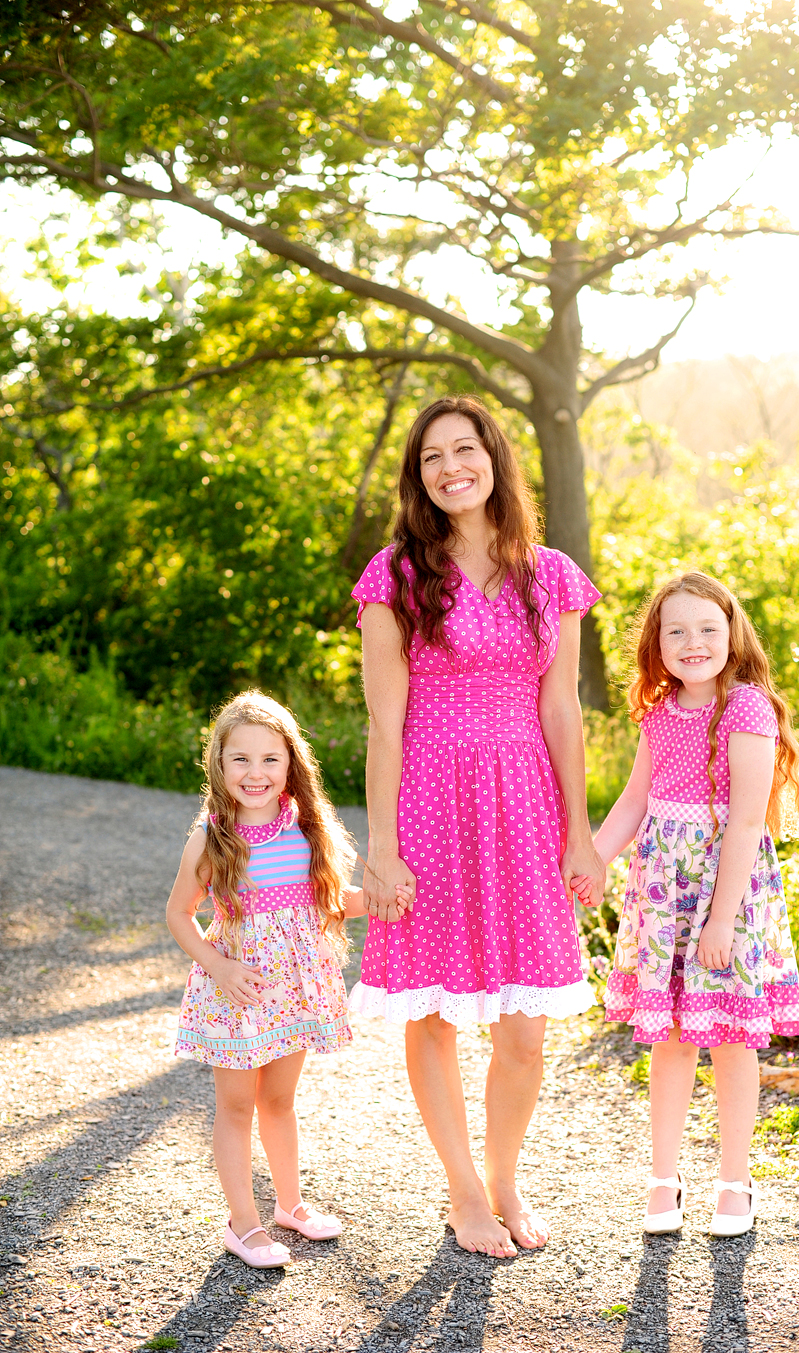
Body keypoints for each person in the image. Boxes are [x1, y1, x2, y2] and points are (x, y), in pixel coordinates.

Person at [351, 395, 605, 1258]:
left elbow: (562, 708)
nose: (452, 466)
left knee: (524, 1029)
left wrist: (580, 830)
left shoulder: (554, 574)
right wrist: (379, 848)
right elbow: (385, 722)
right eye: (433, 457)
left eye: (466, 449)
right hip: (428, 794)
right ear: (418, 476)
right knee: (435, 1012)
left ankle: (504, 1176)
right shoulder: (394, 575)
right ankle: (463, 1189)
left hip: (526, 802)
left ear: (495, 456)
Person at [582, 572, 799, 1237]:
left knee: (732, 1039)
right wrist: (593, 859)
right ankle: (663, 1176)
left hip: (725, 893)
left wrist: (719, 917)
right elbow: (635, 801)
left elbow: (744, 823)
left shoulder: (746, 708)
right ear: (657, 640)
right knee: (673, 1040)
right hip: (662, 895)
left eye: (708, 628)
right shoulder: (658, 710)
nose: (693, 642)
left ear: (732, 633)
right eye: (676, 630)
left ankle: (734, 1180)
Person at [167, 690, 409, 1267]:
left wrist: (376, 902)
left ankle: (290, 1206)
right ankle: (243, 1224)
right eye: (240, 760)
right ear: (218, 764)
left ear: (291, 763)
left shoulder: (306, 827)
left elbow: (324, 904)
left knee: (279, 1100)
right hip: (238, 990)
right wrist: (219, 966)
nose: (256, 773)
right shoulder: (212, 836)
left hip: (295, 991)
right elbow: (179, 914)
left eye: (270, 759)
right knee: (234, 1107)